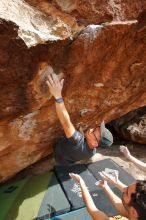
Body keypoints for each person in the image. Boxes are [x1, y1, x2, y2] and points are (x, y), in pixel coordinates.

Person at [46, 73, 113, 164]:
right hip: (65, 161)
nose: (91, 129)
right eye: (96, 128)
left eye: (94, 132)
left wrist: (57, 95)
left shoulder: (77, 141)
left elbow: (66, 123)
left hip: (58, 153)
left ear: (94, 144)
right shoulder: (92, 152)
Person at [69, 171, 146, 220]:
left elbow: (93, 210)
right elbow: (124, 209)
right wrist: (105, 187)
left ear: (134, 212)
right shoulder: (139, 214)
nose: (123, 189)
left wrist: (81, 182)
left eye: (127, 192)